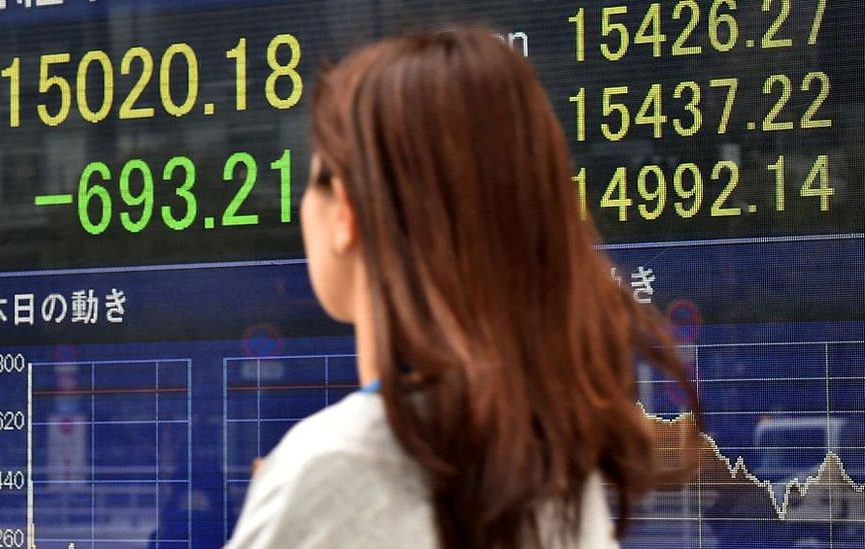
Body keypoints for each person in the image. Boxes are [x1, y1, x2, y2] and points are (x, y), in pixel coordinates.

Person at [226, 27, 700, 548]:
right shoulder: (554, 461)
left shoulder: (329, 467)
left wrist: (290, 503)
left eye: (312, 176)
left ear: (346, 211)